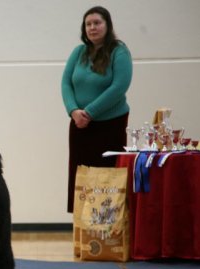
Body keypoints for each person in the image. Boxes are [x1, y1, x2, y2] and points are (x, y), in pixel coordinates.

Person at [61, 5, 133, 213]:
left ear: (107, 25)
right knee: (81, 175)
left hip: (110, 125)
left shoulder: (119, 51)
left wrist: (90, 112)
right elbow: (66, 83)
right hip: (80, 124)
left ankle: (108, 226)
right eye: (88, 24)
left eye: (97, 23)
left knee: (107, 177)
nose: (92, 28)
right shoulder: (79, 52)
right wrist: (74, 110)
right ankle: (84, 225)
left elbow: (119, 86)